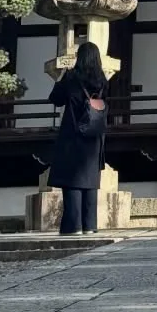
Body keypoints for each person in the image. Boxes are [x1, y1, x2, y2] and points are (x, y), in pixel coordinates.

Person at [49, 41, 109, 234]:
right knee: (90, 181)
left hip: (73, 133)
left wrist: (61, 77)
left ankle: (73, 226)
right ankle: (90, 225)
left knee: (72, 180)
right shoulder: (102, 80)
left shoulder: (72, 77)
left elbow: (56, 99)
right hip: (94, 136)